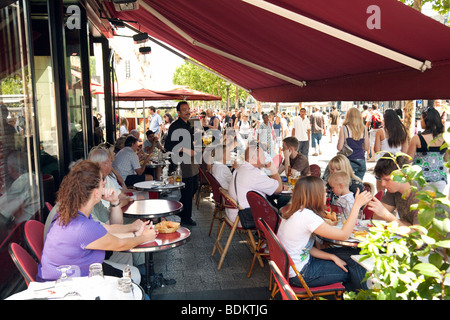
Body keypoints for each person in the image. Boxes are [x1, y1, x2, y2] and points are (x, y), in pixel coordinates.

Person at [37, 160, 158, 282]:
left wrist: (135, 232)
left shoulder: (70, 211)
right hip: (67, 285)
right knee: (132, 276)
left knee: (132, 272)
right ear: (95, 193)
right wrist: (144, 237)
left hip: (71, 274)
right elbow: (119, 244)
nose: (105, 183)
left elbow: (105, 230)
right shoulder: (83, 226)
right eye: (102, 181)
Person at [277, 176, 372, 292]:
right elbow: (344, 235)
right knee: (354, 270)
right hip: (301, 273)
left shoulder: (294, 211)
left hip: (295, 267)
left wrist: (332, 257)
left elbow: (305, 248)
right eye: (324, 192)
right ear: (315, 195)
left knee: (353, 255)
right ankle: (363, 295)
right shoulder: (307, 216)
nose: (326, 195)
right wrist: (356, 206)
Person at [226, 142, 283, 227]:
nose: (265, 157)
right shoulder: (254, 174)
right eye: (263, 155)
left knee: (272, 205)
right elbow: (279, 189)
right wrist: (273, 170)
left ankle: (263, 237)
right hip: (244, 217)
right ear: (255, 158)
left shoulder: (241, 168)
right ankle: (274, 238)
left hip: (234, 213)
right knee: (280, 210)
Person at [164, 101, 199, 226]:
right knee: (188, 189)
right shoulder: (175, 126)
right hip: (181, 162)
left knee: (195, 186)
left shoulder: (187, 124)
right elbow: (167, 145)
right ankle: (185, 216)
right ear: (178, 112)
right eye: (184, 109)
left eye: (188, 109)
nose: (187, 111)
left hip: (190, 160)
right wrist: (184, 149)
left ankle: (181, 211)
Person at [366, 155, 419, 226]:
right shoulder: (394, 190)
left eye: (387, 179)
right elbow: (377, 217)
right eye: (381, 179)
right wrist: (407, 225)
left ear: (403, 175)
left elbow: (418, 234)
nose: (382, 184)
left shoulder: (421, 196)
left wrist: (388, 216)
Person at [406, 107, 448, 193]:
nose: (420, 121)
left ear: (427, 121)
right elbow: (446, 159)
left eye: (421, 119)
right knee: (435, 205)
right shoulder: (445, 137)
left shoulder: (417, 138)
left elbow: (408, 158)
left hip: (421, 180)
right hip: (440, 179)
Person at [374, 109, 409, 192]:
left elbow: (377, 150)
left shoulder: (380, 132)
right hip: (397, 164)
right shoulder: (402, 132)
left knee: (380, 191)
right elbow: (405, 152)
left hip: (383, 164)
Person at [337, 107, 370, 181]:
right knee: (358, 184)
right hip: (361, 160)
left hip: (348, 161)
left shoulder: (344, 128)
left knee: (348, 185)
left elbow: (339, 147)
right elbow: (367, 148)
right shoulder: (364, 129)